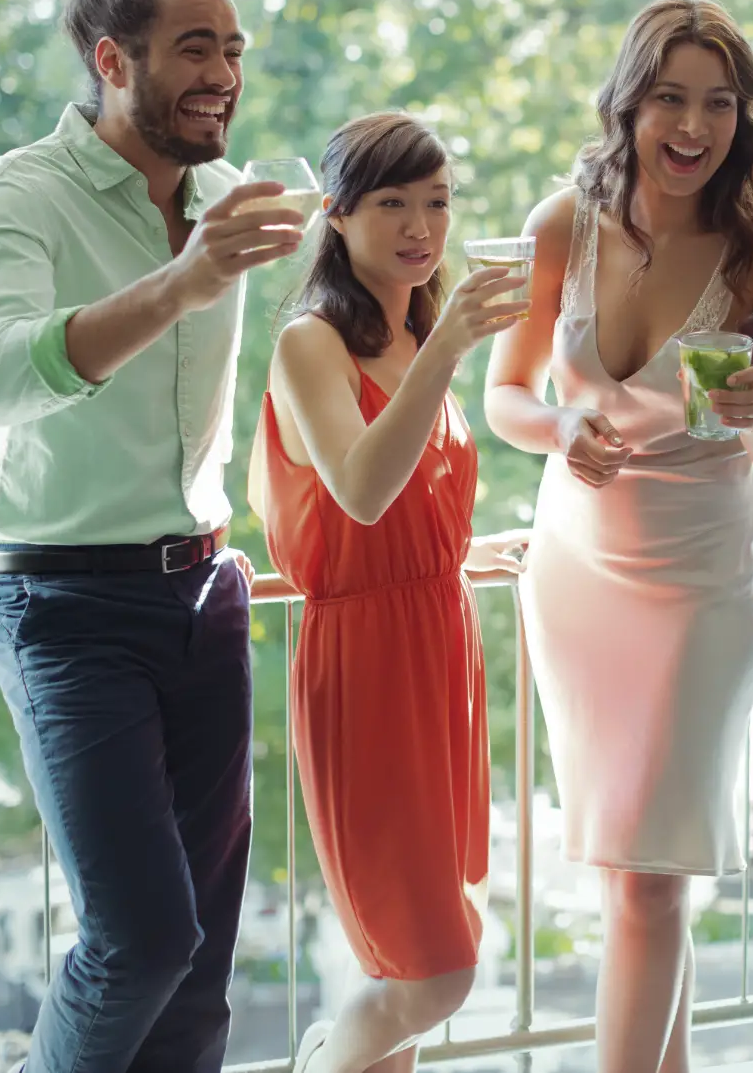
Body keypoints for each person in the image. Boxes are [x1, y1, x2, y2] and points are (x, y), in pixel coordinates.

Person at [0, 0, 305, 1073]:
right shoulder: (21, 193)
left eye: (234, 48)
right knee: (141, 937)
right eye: (193, 48)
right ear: (113, 61)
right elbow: (2, 375)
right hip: (61, 604)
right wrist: (185, 276)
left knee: (200, 956)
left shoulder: (227, 199)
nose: (223, 76)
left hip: (201, 591)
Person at [484, 0, 753, 1072]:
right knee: (632, 871)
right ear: (627, 103)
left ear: (743, 118)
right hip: (577, 573)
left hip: (704, 580)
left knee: (646, 875)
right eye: (671, 98)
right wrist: (559, 425)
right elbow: (502, 397)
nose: (694, 125)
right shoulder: (560, 225)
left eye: (719, 103)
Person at [249, 112, 530, 1073]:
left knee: (423, 946)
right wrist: (450, 345)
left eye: (439, 202)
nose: (423, 226)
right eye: (393, 203)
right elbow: (359, 492)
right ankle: (320, 1055)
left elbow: (399, 493)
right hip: (368, 668)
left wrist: (458, 553)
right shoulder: (309, 342)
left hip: (440, 643)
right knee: (429, 976)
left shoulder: (415, 332)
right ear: (336, 214)